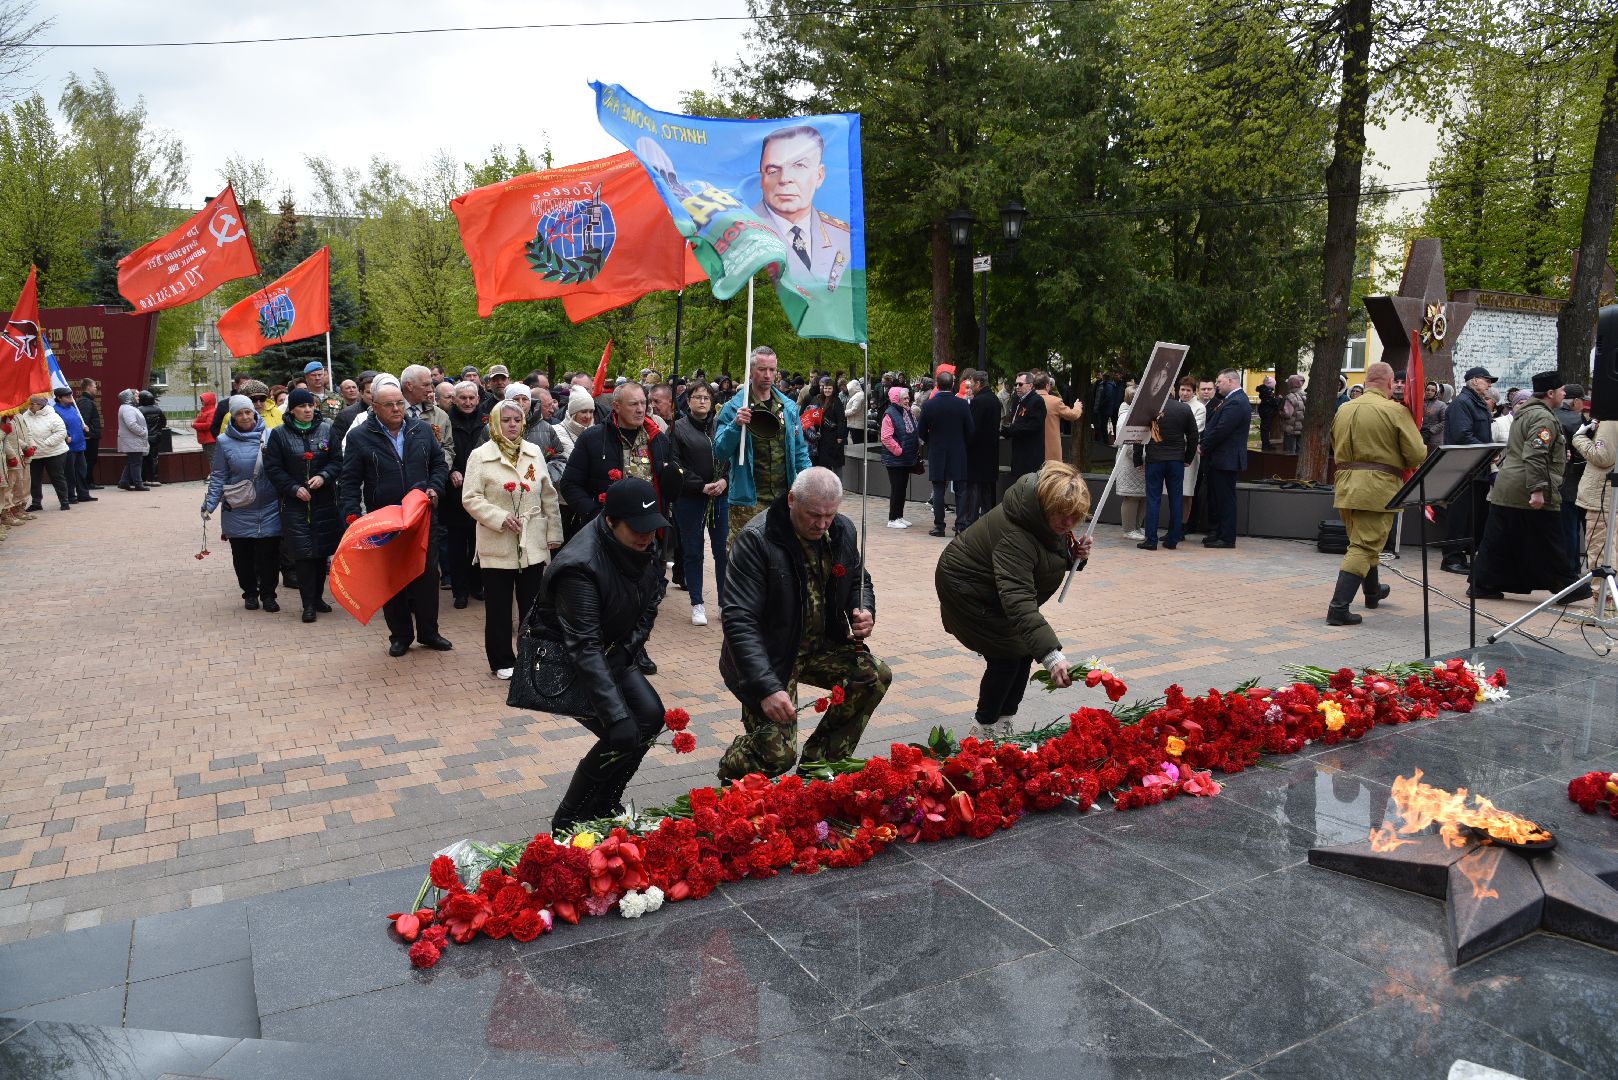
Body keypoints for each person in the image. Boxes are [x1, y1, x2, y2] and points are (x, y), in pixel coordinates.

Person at [717, 467, 889, 780]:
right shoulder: (757, 540)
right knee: (777, 757)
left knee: (872, 675)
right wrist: (767, 688)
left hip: (820, 645)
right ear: (792, 500)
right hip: (771, 658)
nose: (822, 524)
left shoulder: (842, 530)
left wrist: (862, 608)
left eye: (829, 515)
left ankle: (818, 766)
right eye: (813, 515)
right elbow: (739, 619)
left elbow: (858, 578)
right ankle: (734, 765)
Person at [535, 478, 669, 831]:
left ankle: (605, 802)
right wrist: (614, 714)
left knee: (651, 717)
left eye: (651, 528)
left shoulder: (646, 543)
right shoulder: (580, 567)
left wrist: (627, 650)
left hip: (614, 647)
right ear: (611, 522)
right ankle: (568, 819)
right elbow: (583, 645)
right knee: (620, 729)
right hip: (570, 658)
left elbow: (653, 599)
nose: (647, 537)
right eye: (637, 529)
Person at [936, 462, 1094, 738]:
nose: (1069, 523)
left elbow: (1044, 558)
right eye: (1063, 515)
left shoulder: (1042, 521)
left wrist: (1073, 558)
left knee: (1021, 652)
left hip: (993, 590)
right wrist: (1052, 656)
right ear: (1046, 503)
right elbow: (1018, 599)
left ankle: (1004, 720)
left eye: (1075, 516)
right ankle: (983, 728)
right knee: (1008, 655)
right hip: (968, 592)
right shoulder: (1016, 534)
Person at [340, 381, 453, 655]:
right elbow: (350, 481)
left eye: (400, 403)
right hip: (384, 520)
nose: (396, 409)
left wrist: (434, 487)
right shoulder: (359, 437)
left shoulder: (422, 430)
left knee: (426, 574)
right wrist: (352, 515)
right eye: (389, 404)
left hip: (421, 516)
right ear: (374, 407)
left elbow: (438, 464)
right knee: (392, 579)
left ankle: (429, 632)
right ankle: (400, 635)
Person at [1470, 371, 1592, 604]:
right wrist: (1537, 490)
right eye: (1561, 390)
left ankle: (1482, 584)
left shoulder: (1526, 413)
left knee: (1499, 539)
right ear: (1550, 393)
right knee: (1552, 539)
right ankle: (1566, 586)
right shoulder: (1544, 418)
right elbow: (1535, 454)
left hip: (1509, 486)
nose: (1564, 394)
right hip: (1528, 487)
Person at [463, 397, 564, 678]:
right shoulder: (481, 455)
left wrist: (553, 533)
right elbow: (470, 498)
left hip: (531, 541)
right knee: (498, 607)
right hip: (497, 542)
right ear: (495, 423)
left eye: (517, 420)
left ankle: (532, 654)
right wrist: (498, 517)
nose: (512, 425)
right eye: (506, 420)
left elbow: (548, 496)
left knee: (533, 606)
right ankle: (502, 660)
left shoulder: (533, 452)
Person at [1325, 362, 1426, 625]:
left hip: (1346, 484)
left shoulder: (1344, 408)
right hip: (1377, 486)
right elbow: (1416, 454)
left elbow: (1334, 444)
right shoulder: (1395, 410)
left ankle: (1372, 592)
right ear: (1390, 383)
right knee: (1363, 545)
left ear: (1367, 380)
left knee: (1361, 540)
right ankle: (1338, 609)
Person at [713, 346, 811, 538]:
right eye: (762, 369)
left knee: (781, 555)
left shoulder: (788, 407)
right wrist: (735, 425)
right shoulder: (734, 407)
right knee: (743, 558)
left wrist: (808, 484)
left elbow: (799, 452)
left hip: (783, 498)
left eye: (772, 370)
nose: (768, 375)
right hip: (747, 500)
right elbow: (719, 451)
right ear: (750, 371)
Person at [264, 389, 341, 622]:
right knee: (303, 555)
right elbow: (273, 468)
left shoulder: (327, 429)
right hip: (295, 505)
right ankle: (307, 604)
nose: (308, 410)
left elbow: (338, 460)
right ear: (292, 410)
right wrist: (293, 488)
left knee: (320, 553)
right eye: (302, 406)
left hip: (324, 502)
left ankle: (318, 598)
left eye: (311, 405)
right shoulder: (279, 434)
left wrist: (324, 476)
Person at [201, 395, 283, 611]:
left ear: (255, 412)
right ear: (233, 417)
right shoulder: (223, 441)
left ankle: (268, 595)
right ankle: (249, 593)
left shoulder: (271, 435)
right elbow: (218, 474)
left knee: (269, 555)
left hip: (269, 506)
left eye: (248, 412)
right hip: (238, 506)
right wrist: (210, 503)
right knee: (242, 556)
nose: (245, 416)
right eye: (239, 413)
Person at [751, 125, 851, 288]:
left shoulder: (843, 236)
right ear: (761, 177)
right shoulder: (745, 231)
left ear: (819, 175)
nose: (785, 179)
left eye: (799, 166)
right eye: (773, 169)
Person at [669, 381, 729, 626]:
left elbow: (733, 458)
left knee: (722, 552)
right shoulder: (678, 429)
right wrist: (699, 485)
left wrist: (725, 481)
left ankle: (725, 603)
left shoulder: (721, 427)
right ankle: (697, 603)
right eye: (697, 397)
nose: (702, 401)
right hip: (690, 498)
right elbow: (675, 464)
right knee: (693, 551)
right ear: (689, 400)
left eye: (706, 397)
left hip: (720, 496)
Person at [1440, 366, 1499, 575]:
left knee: (1471, 516)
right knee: (1459, 515)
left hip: (1476, 468)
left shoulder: (1475, 403)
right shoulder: (1462, 403)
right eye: (1486, 380)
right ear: (1474, 381)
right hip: (1462, 468)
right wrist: (1488, 452)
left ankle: (1461, 555)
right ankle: (1451, 557)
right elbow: (1463, 436)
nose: (1489, 384)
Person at [1136, 388, 1198, 551]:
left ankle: (1151, 540)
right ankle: (1173, 539)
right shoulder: (1184, 408)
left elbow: (1139, 435)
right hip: (1176, 460)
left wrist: (1137, 459)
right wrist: (1188, 458)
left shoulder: (1149, 409)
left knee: (1153, 499)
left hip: (1154, 459)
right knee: (1176, 499)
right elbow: (1193, 435)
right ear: (1173, 391)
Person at [444, 381, 487, 609]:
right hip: (455, 494)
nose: (468, 402)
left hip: (482, 491)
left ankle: (477, 585)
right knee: (457, 544)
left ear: (478, 399)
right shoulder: (446, 421)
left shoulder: (487, 420)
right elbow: (440, 450)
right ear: (454, 399)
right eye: (463, 398)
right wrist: (450, 471)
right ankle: (459, 590)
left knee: (478, 540)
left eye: (472, 398)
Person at [1198, 368, 1251, 548]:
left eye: (1219, 382)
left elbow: (1221, 430)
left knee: (1225, 499)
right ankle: (1219, 532)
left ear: (1230, 381)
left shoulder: (1236, 402)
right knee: (1217, 498)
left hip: (1226, 459)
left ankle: (1227, 538)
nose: (1217, 385)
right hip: (1220, 458)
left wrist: (1204, 446)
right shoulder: (1230, 400)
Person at [1574, 415, 1618, 575]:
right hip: (1609, 498)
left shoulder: (1611, 419)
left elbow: (1602, 457)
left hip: (1604, 498)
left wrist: (1579, 438)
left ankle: (1604, 598)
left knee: (1601, 554)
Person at [959, 369, 1002, 529]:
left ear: (978, 383)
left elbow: (972, 429)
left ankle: (971, 523)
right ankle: (988, 523)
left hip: (977, 453)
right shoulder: (994, 400)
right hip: (990, 453)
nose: (971, 387)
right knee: (987, 491)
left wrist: (966, 444)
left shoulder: (979, 401)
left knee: (975, 490)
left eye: (972, 384)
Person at [878, 385, 920, 528]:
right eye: (905, 398)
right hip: (896, 459)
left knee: (902, 488)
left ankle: (899, 516)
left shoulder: (906, 412)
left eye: (908, 397)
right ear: (896, 399)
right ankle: (892, 519)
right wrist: (899, 451)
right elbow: (886, 437)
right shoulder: (889, 414)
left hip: (905, 459)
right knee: (897, 488)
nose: (908, 400)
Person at [1108, 387, 1147, 539]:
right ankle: (1129, 529)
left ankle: (1137, 527)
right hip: (1130, 463)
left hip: (1141, 461)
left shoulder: (1139, 413)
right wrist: (1141, 455)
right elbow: (1127, 442)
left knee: (1142, 496)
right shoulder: (1125, 415)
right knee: (1131, 496)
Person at [20, 394, 70, 511]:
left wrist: (46, 443)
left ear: (41, 405)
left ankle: (64, 501)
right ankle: (36, 503)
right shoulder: (25, 416)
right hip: (35, 454)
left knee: (57, 477)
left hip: (54, 452)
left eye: (34, 403)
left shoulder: (53, 416)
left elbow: (61, 432)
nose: (31, 406)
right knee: (34, 479)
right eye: (30, 403)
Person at [1558, 385, 1589, 568]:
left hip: (1556, 482)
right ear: (1576, 401)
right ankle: (1576, 568)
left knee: (1566, 530)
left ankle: (1569, 567)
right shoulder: (1577, 421)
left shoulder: (1550, 416)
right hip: (1576, 481)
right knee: (1576, 529)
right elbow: (1583, 454)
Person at [1001, 371, 1046, 484]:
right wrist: (1007, 430)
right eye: (1016, 384)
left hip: (1030, 454)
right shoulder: (1018, 399)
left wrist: (1013, 429)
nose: (1017, 387)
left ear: (1030, 385)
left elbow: (1034, 425)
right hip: (1018, 451)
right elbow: (1015, 420)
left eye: (1020, 384)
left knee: (1028, 487)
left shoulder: (1037, 401)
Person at [52, 387, 94, 504]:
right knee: (69, 473)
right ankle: (71, 496)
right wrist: (66, 436)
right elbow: (56, 427)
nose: (71, 398)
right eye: (67, 396)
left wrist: (83, 426)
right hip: (68, 446)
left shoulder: (73, 409)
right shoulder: (55, 411)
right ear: (59, 398)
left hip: (80, 444)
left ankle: (83, 494)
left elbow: (77, 422)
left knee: (82, 470)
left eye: (71, 396)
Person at [1033, 372, 1081, 464]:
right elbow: (1073, 415)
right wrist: (1077, 406)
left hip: (1032, 448)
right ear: (1047, 385)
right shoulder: (1054, 401)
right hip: (1051, 449)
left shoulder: (1028, 400)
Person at [113, 389, 149, 491]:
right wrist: (143, 432)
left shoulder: (127, 408)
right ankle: (138, 483)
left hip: (133, 440)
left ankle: (124, 482)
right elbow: (131, 424)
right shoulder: (128, 409)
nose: (138, 398)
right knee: (136, 462)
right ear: (130, 397)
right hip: (133, 440)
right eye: (136, 396)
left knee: (132, 461)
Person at [811, 375, 847, 471]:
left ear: (833, 389)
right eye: (825, 388)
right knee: (824, 463)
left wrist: (840, 436)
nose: (827, 390)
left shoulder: (837, 401)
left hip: (834, 437)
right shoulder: (820, 400)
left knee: (835, 464)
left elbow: (841, 420)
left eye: (829, 388)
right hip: (823, 437)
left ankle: (837, 484)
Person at [76, 379, 103, 489]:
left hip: (91, 436)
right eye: (94, 387)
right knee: (89, 460)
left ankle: (89, 482)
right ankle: (87, 483)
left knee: (91, 460)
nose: (96, 389)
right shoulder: (85, 402)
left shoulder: (87, 401)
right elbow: (84, 421)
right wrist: (89, 433)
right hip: (89, 437)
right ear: (88, 387)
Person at [138, 390, 168, 485]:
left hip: (144, 437)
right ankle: (154, 479)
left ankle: (143, 479)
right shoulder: (158, 410)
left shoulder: (139, 410)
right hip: (155, 437)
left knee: (142, 458)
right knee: (154, 458)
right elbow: (163, 423)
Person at [192, 392, 219, 468]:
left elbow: (208, 425)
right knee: (210, 457)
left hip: (210, 440)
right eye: (201, 400)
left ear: (208, 401)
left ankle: (214, 476)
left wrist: (194, 425)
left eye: (203, 400)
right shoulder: (204, 411)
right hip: (205, 439)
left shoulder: (212, 411)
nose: (202, 402)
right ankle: (213, 475)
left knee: (212, 458)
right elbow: (197, 420)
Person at [1281, 374, 1306, 453]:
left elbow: (1287, 414)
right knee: (1299, 452)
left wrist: (1280, 413)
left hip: (1291, 430)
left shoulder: (1290, 397)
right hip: (1301, 429)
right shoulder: (1305, 395)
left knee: (1290, 453)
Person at [1256, 375, 1280, 451]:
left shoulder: (1265, 391)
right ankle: (1265, 445)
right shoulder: (1267, 392)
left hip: (1266, 412)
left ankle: (1266, 444)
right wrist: (1279, 399)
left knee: (1266, 429)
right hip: (1266, 412)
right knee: (1265, 429)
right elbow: (1274, 402)